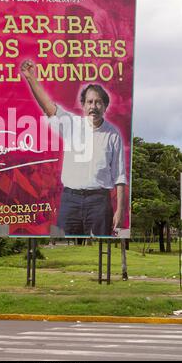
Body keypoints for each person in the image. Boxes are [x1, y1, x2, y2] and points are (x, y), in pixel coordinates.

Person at [20, 59, 127, 237]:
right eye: (90, 102)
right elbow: (49, 107)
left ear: (105, 106)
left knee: (98, 250)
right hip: (71, 200)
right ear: (83, 105)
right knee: (63, 246)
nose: (94, 106)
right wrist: (31, 78)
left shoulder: (113, 134)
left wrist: (120, 210)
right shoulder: (72, 124)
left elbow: (120, 175)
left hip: (99, 202)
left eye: (99, 102)